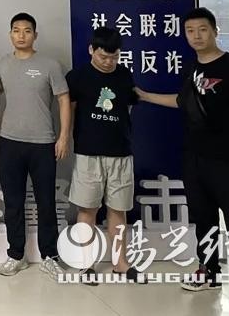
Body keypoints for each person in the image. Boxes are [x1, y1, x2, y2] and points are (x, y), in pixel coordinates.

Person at [137, 7, 229, 314]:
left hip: (228, 158)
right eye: (190, 31)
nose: (196, 36)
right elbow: (182, 102)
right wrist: (146, 96)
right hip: (193, 158)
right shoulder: (191, 68)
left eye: (202, 29)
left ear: (215, 31)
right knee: (204, 219)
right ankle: (209, 270)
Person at [0, 13, 70, 280]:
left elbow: (63, 99)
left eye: (26, 30)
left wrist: (63, 137)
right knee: (13, 202)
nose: (21, 35)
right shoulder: (3, 63)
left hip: (43, 144)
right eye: (16, 30)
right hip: (9, 142)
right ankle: (16, 255)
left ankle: (50, 256)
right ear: (10, 34)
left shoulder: (49, 65)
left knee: (46, 203)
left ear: (35, 35)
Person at [65, 27, 145, 284]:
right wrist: (66, 138)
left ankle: (120, 263)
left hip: (120, 152)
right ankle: (86, 264)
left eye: (114, 57)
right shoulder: (77, 77)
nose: (109, 62)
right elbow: (69, 111)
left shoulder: (124, 75)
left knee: (118, 210)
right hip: (88, 152)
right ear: (91, 50)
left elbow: (128, 108)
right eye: (103, 57)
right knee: (87, 209)